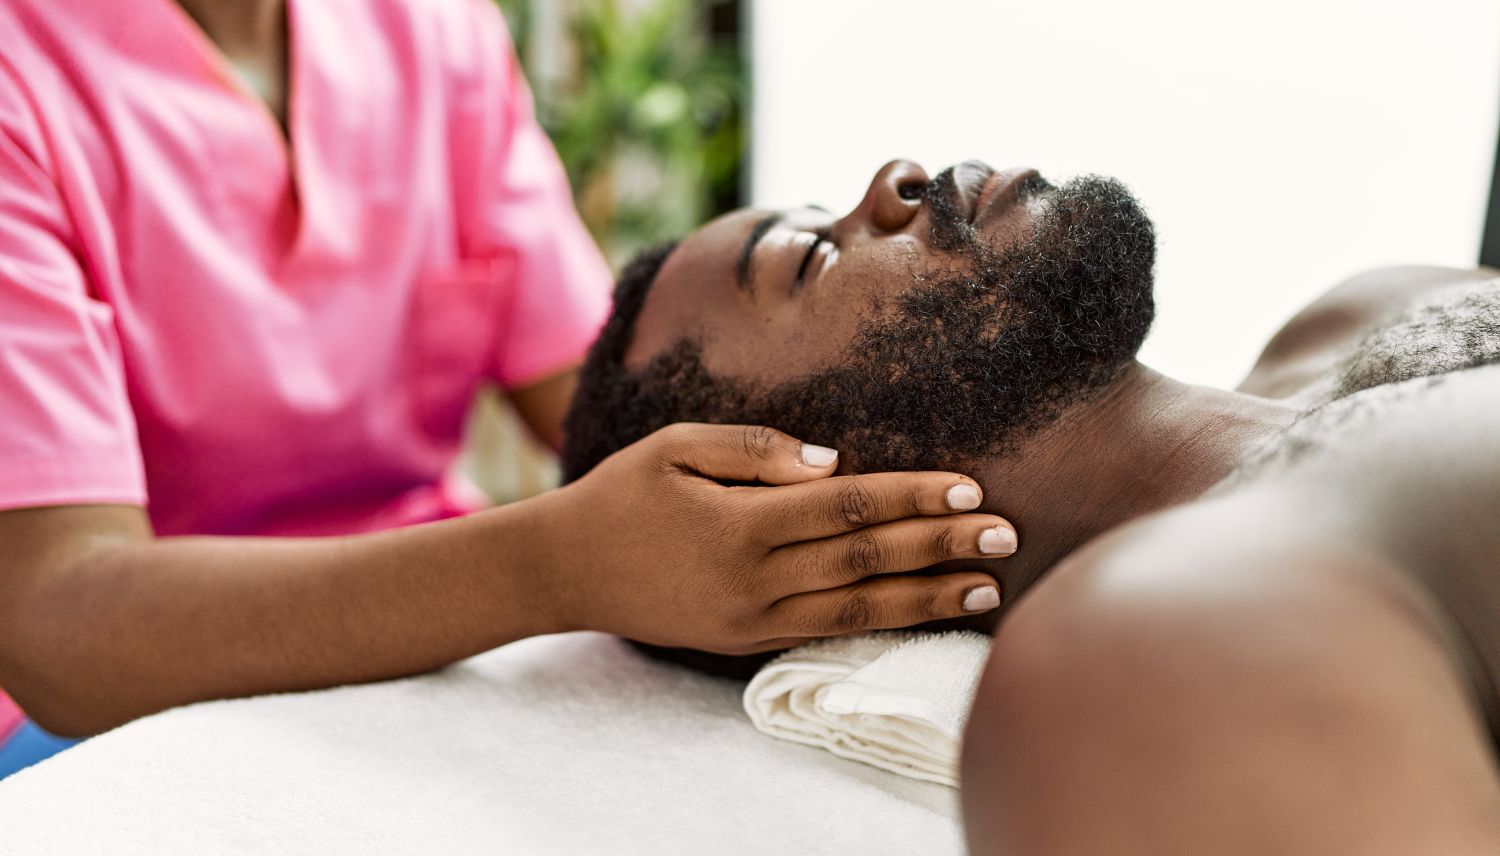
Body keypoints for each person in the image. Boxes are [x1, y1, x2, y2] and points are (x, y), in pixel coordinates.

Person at [0, 0, 1020, 778]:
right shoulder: (26, 80)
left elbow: (617, 394)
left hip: (449, 636)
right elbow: (60, 629)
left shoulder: (428, 29)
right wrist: (549, 566)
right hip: (123, 685)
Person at [560, 157, 1500, 852]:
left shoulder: (1369, 307)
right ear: (784, 507)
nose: (897, 178)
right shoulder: (1141, 649)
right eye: (808, 256)